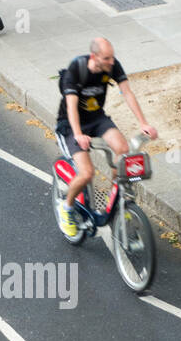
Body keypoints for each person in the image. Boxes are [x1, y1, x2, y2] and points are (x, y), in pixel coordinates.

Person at [55, 38, 158, 238]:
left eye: (112, 57)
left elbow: (126, 92)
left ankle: (116, 198)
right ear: (94, 57)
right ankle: (66, 207)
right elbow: (71, 107)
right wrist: (78, 135)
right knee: (86, 173)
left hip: (97, 118)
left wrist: (143, 123)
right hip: (71, 124)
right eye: (106, 58)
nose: (112, 61)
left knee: (123, 149)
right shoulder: (76, 70)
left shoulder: (111, 65)